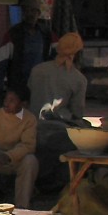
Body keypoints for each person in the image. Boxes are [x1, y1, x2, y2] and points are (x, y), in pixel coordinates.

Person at [28, 31, 88, 191]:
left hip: (32, 124)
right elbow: (77, 113)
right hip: (57, 128)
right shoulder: (78, 78)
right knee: (88, 136)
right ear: (77, 53)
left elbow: (30, 93)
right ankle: (66, 185)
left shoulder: (37, 70)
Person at [0, 0, 54, 94]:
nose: (30, 14)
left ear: (38, 13)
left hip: (40, 85)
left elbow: (54, 57)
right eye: (26, 11)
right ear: (22, 13)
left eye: (33, 11)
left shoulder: (46, 34)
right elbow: (1, 62)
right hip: (18, 86)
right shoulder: (13, 34)